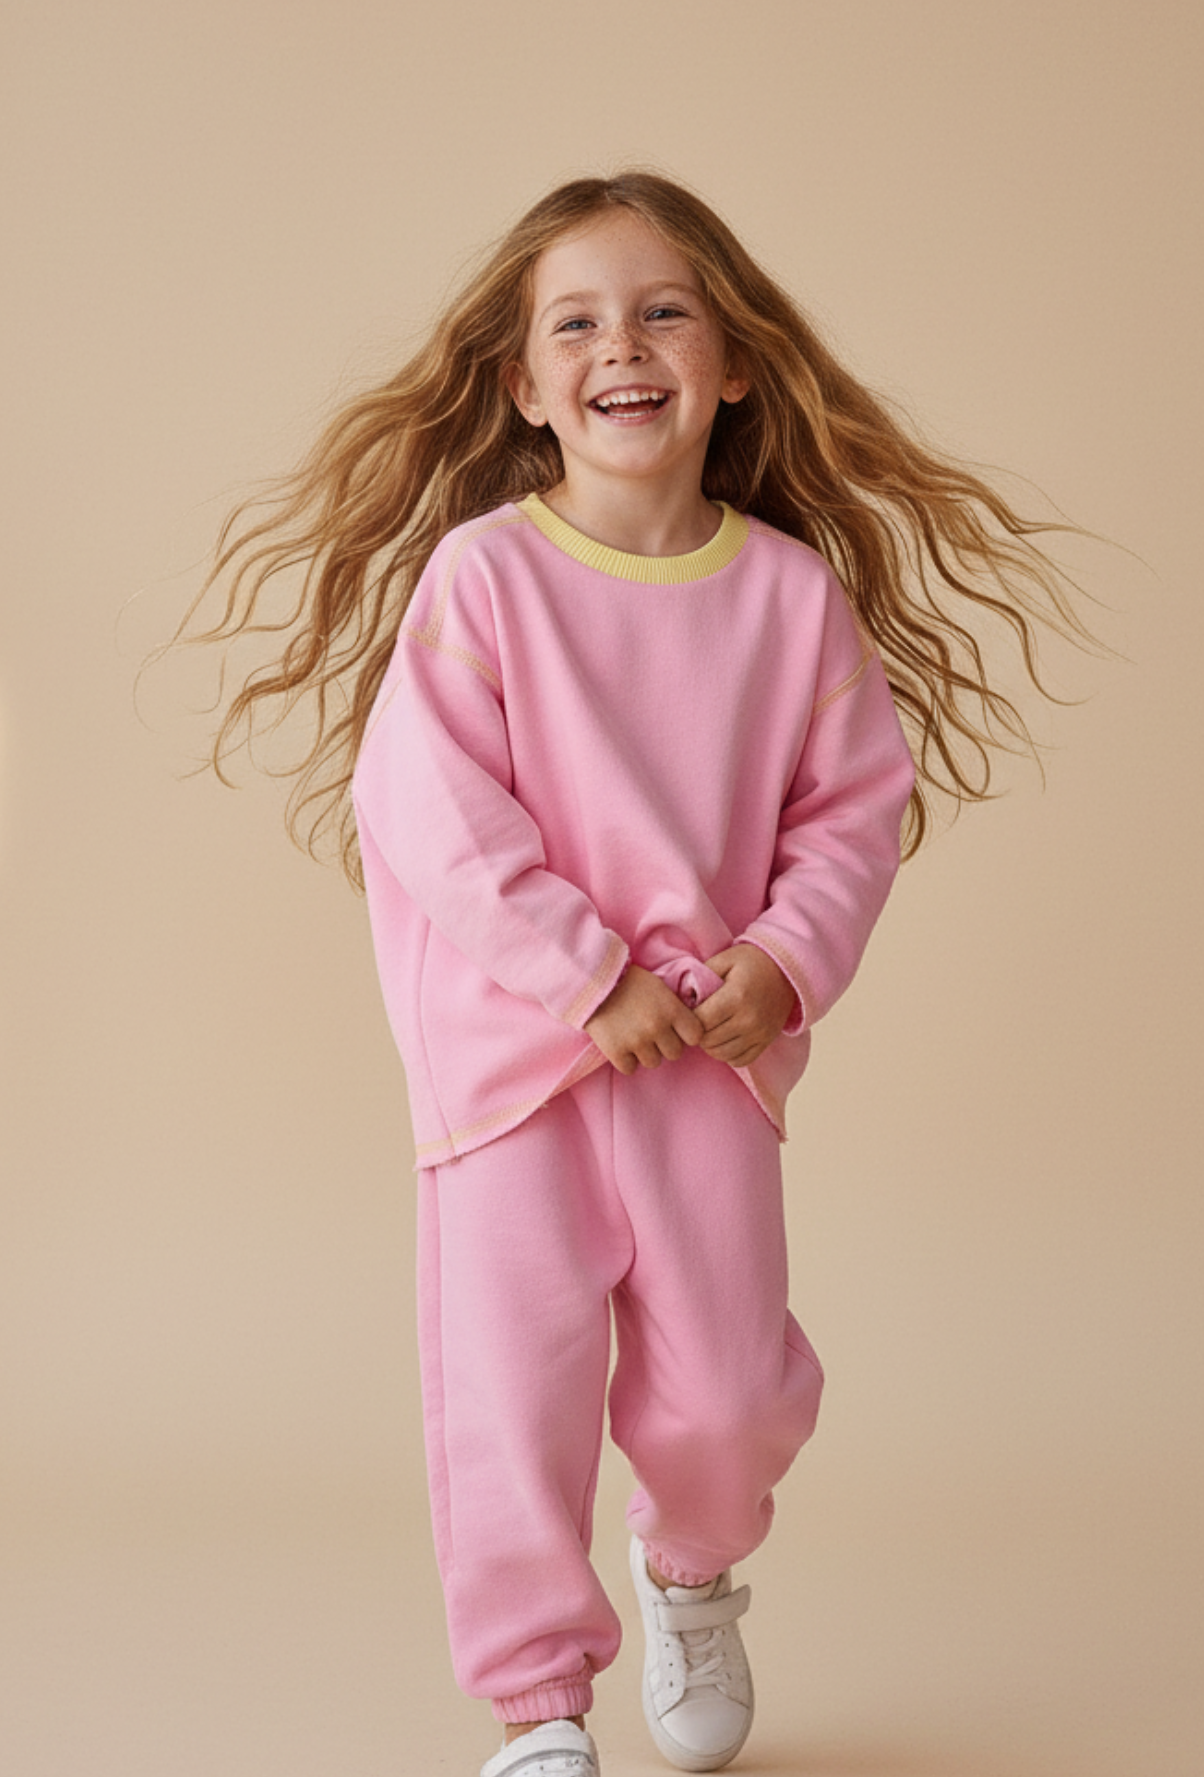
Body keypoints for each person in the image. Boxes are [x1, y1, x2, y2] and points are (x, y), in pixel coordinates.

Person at [181, 172, 1090, 1777]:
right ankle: (538, 1706)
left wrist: (782, 964)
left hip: (704, 1064)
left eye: (665, 311)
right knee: (513, 1404)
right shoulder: (483, 580)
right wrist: (589, 977)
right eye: (578, 323)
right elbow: (429, 807)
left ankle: (693, 1571)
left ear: (732, 365)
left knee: (731, 1397)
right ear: (526, 388)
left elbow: (850, 816)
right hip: (515, 1071)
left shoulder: (789, 597)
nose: (624, 345)